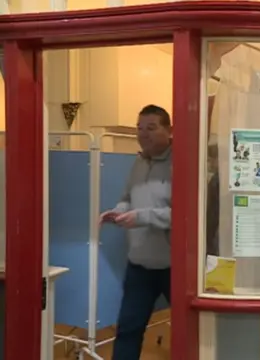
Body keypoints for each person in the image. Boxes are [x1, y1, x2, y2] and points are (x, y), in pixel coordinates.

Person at [100, 105, 173, 360]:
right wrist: (118, 212)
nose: (143, 134)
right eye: (140, 129)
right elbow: (127, 198)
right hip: (139, 265)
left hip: (173, 267)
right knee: (128, 329)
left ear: (169, 130)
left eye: (151, 128)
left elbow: (185, 215)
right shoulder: (138, 162)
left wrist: (141, 217)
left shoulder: (183, 163)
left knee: (193, 329)